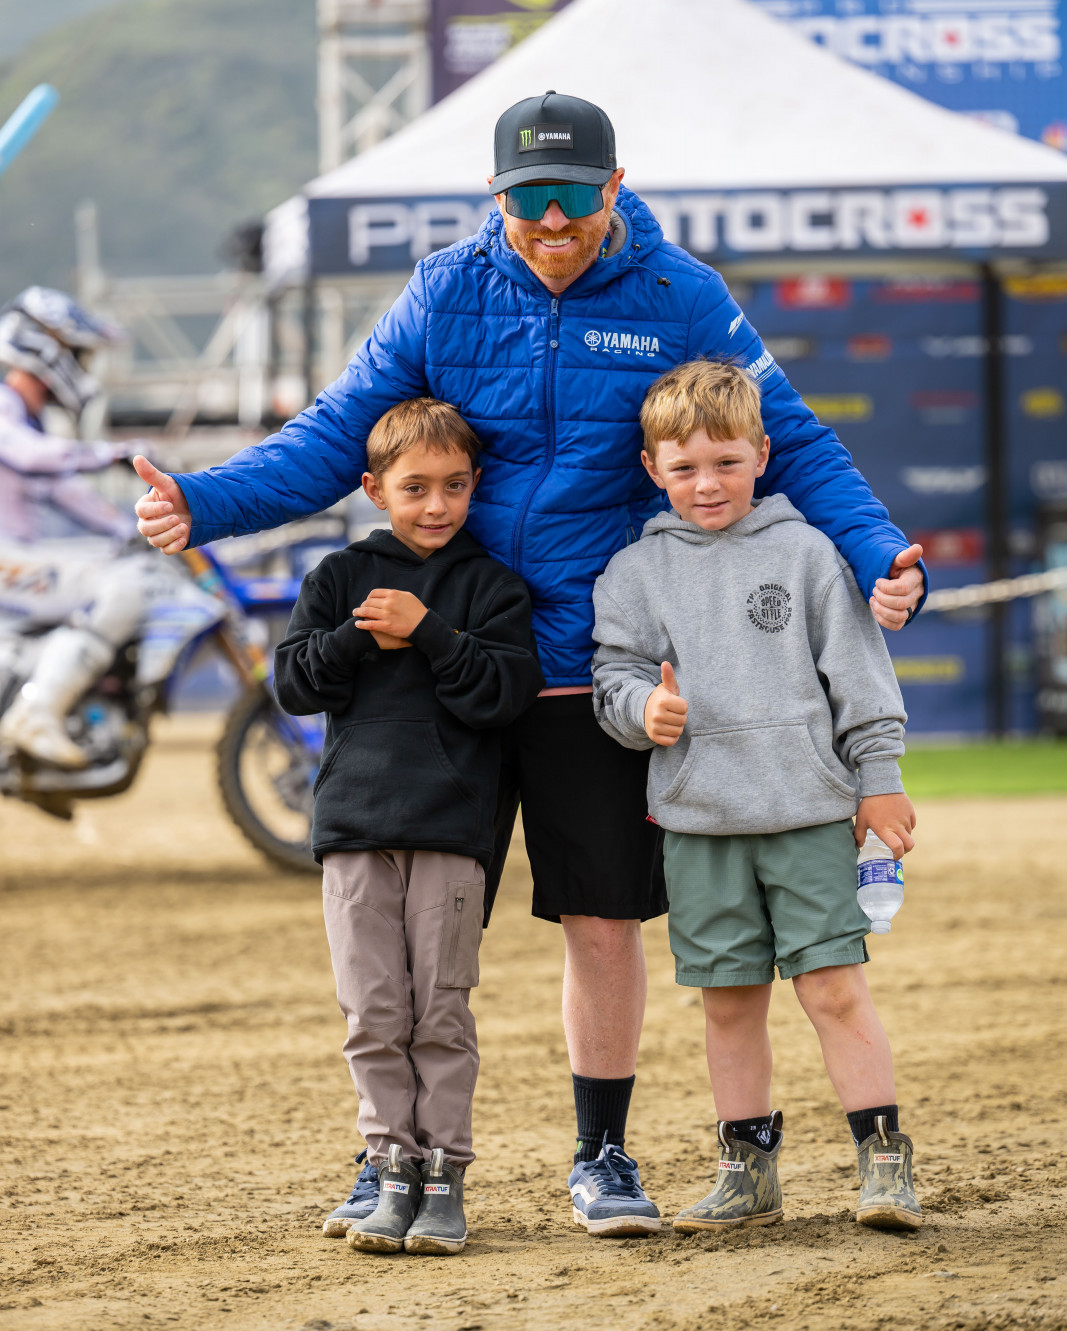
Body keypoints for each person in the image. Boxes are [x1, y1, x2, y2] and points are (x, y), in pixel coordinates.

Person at [132, 90, 926, 1237]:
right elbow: (339, 433)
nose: (549, 224)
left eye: (570, 199)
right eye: (525, 201)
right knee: (405, 940)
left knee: (602, 922)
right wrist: (205, 505)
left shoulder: (678, 294)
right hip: (447, 666)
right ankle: (393, 1158)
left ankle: (601, 1156)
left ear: (613, 188)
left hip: (586, 669)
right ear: (494, 198)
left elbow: (789, 436)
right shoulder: (448, 287)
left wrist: (877, 550)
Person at [592, 360, 921, 1233]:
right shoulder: (632, 572)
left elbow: (860, 680)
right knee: (729, 1003)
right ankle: (747, 1171)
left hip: (809, 816)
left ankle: (883, 1163)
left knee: (834, 992)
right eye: (686, 466)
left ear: (762, 455)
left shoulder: (810, 554)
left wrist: (878, 782)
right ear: (652, 468)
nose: (708, 483)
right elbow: (611, 676)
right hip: (698, 826)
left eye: (726, 462)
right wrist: (642, 711)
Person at [273, 397, 543, 1254]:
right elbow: (293, 686)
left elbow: (505, 696)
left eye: (455, 486)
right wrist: (360, 638)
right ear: (374, 489)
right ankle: (388, 1165)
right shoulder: (338, 579)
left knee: (441, 1015)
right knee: (372, 1012)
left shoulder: (491, 589)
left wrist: (429, 633)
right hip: (353, 830)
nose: (436, 505)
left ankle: (444, 1177)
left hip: (453, 832)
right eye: (415, 487)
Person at [0, 287, 170, 769]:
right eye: (79, 353)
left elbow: (70, 493)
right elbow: (28, 457)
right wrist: (113, 452)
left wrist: (136, 529)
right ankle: (37, 713)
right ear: (47, 348)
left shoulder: (29, 423)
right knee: (122, 587)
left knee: (124, 569)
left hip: (15, 557)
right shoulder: (6, 411)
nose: (85, 367)